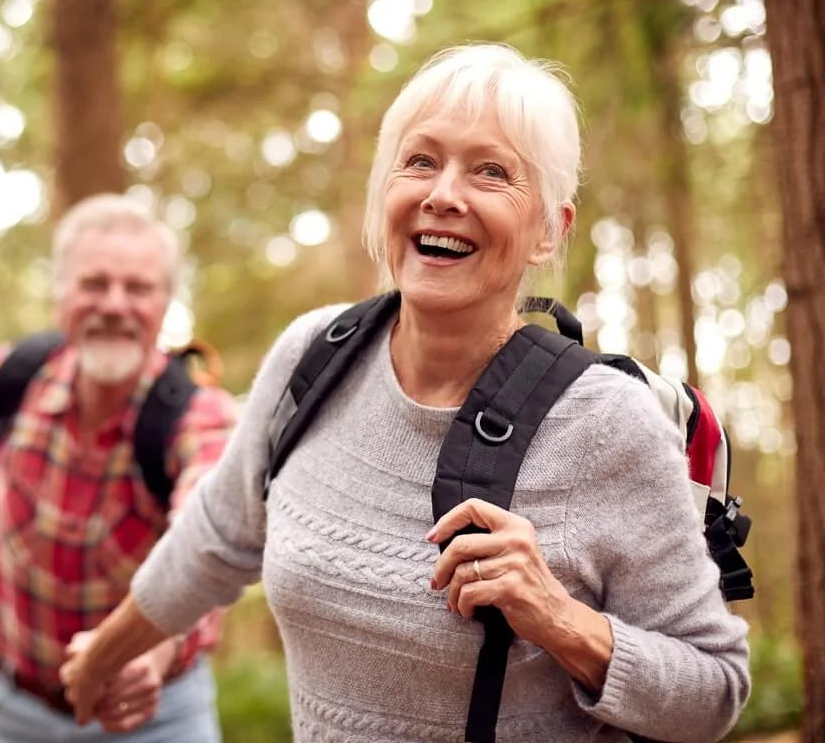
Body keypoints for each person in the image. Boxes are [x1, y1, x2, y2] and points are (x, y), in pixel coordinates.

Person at [59, 44, 752, 742]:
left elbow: (714, 690)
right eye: (420, 161)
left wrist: (559, 619)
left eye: (491, 172)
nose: (443, 194)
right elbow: (217, 536)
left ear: (549, 229)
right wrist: (103, 656)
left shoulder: (607, 422)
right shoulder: (314, 356)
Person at [0, 193, 236, 743]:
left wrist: (150, 656)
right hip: (15, 713)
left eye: (137, 288)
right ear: (61, 295)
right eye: (94, 284)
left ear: (164, 305)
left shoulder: (199, 417)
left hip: (155, 717)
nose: (114, 305)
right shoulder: (14, 380)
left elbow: (204, 550)